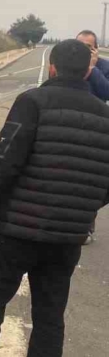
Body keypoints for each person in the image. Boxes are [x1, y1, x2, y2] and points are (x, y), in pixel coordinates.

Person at [0, 39, 109, 357]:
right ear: (87, 72)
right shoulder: (104, 116)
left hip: (13, 233)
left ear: (52, 67)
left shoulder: (32, 102)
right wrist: (80, 207)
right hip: (66, 239)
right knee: (49, 319)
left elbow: (6, 162)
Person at [74, 30, 106, 245]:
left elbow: (106, 92)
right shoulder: (67, 62)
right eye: (80, 45)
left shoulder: (103, 67)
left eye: (89, 46)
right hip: (70, 125)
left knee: (89, 182)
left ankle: (86, 226)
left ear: (95, 47)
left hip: (96, 129)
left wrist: (92, 67)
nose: (84, 49)